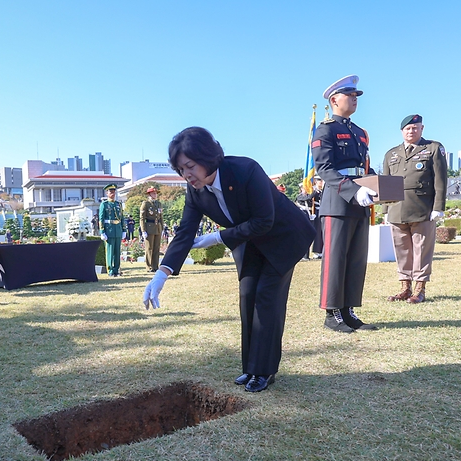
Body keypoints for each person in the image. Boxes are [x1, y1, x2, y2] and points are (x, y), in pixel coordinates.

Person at [142, 127, 314, 393]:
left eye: (190, 166)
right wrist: (162, 273)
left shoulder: (245, 170)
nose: (187, 175)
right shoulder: (195, 191)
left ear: (207, 157)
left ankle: (265, 371)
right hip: (250, 242)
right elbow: (185, 232)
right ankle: (251, 368)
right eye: (181, 170)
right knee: (247, 297)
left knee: (266, 298)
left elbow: (264, 221)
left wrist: (217, 238)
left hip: (284, 237)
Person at [311, 75, 379, 333]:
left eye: (356, 96)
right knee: (336, 258)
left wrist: (375, 189)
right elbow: (325, 169)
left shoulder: (360, 133)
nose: (354, 99)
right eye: (349, 95)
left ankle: (348, 310)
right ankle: (331, 313)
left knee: (356, 258)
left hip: (361, 200)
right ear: (334, 100)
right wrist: (353, 190)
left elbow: (365, 167)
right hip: (338, 201)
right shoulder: (325, 130)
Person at [382, 114, 447, 304]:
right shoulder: (391, 154)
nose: (411, 131)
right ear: (402, 131)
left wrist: (438, 207)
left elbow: (440, 179)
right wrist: (385, 209)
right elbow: (386, 183)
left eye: (415, 128)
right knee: (401, 250)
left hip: (422, 208)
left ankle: (420, 289)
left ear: (422, 128)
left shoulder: (433, 148)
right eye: (408, 129)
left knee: (421, 250)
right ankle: (405, 287)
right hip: (397, 209)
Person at [99, 184, 124, 276]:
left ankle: (116, 269)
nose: (112, 194)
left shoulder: (118, 204)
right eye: (110, 192)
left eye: (114, 192)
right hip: (109, 230)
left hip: (118, 230)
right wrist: (102, 231)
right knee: (110, 251)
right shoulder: (104, 204)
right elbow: (101, 219)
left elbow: (122, 218)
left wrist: (124, 230)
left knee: (117, 252)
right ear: (107, 193)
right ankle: (110, 270)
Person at [140, 186, 164, 272]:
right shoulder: (146, 203)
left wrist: (163, 227)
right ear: (149, 194)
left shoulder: (158, 203)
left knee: (156, 248)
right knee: (149, 248)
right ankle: (149, 266)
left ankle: (155, 266)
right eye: (153, 193)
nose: (155, 194)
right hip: (149, 227)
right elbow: (142, 218)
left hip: (158, 227)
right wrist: (143, 230)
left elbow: (161, 216)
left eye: (156, 193)